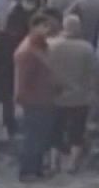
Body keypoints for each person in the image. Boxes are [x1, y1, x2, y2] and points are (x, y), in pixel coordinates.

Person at [49, 11, 95, 174]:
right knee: (77, 132)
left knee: (56, 131)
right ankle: (72, 164)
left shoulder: (52, 45)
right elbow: (91, 74)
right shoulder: (87, 48)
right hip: (79, 97)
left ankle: (54, 163)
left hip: (56, 96)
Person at [15, 10, 59, 181]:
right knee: (32, 138)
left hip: (45, 99)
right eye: (45, 26)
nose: (48, 30)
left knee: (41, 137)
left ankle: (37, 169)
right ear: (34, 27)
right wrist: (20, 99)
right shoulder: (28, 51)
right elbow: (23, 79)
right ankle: (27, 171)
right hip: (34, 101)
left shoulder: (40, 46)